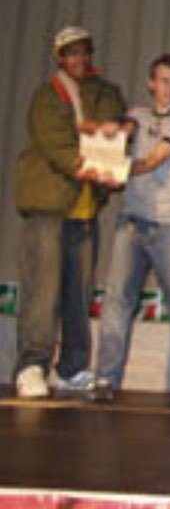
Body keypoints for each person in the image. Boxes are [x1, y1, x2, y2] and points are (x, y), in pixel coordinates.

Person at [14, 26, 127, 398]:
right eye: (71, 53)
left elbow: (114, 122)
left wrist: (111, 133)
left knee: (79, 294)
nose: (78, 59)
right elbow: (55, 143)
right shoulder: (48, 96)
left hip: (84, 209)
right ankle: (32, 365)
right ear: (59, 58)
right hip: (48, 207)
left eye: (83, 52)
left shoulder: (104, 92)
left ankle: (73, 368)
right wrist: (90, 155)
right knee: (42, 291)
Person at [92, 54, 170, 402]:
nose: (169, 88)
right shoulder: (137, 116)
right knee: (116, 302)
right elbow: (121, 130)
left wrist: (114, 169)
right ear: (150, 83)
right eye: (162, 81)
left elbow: (153, 160)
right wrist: (104, 143)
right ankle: (105, 378)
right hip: (132, 222)